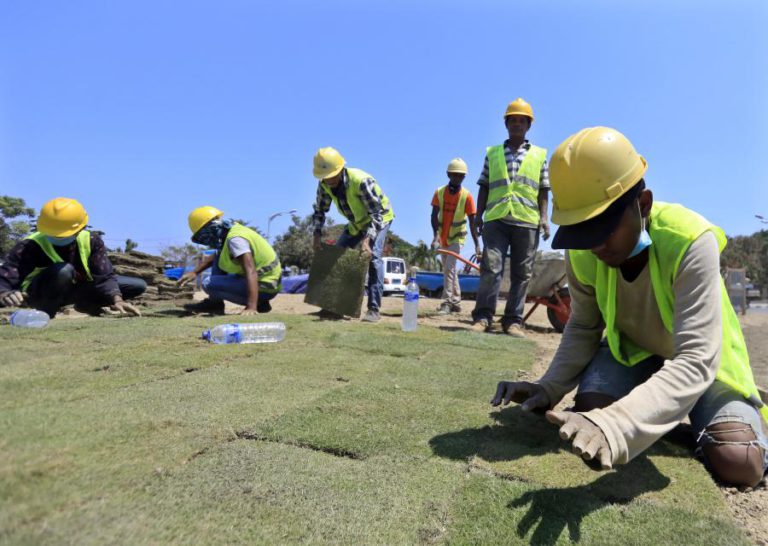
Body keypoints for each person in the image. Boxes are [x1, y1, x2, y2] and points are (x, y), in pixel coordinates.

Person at [491, 127, 768, 486]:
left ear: (643, 205)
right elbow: (584, 327)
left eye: (604, 228)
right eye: (582, 232)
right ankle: (661, 411)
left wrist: (618, 425)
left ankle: (709, 418)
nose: (595, 246)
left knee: (739, 463)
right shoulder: (584, 253)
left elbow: (696, 359)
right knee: (589, 415)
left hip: (706, 365)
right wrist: (548, 388)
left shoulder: (689, 242)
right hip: (634, 353)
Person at [472, 98, 550, 337]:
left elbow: (544, 188)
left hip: (526, 220)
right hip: (496, 219)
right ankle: (483, 317)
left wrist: (544, 218)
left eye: (521, 120)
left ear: (528, 125)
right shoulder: (493, 153)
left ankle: (513, 321)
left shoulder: (539, 155)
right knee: (491, 267)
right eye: (512, 120)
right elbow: (484, 184)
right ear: (506, 124)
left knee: (522, 273)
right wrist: (478, 214)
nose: (517, 124)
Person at [0, 197, 144, 318]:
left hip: (76, 290)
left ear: (80, 229)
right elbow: (7, 273)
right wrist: (4, 292)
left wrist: (117, 299)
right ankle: (46, 313)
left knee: (136, 285)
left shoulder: (92, 241)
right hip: (39, 293)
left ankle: (86, 306)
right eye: (53, 233)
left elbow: (104, 276)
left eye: (62, 234)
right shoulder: (30, 245)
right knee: (64, 270)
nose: (57, 237)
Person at [311, 147, 395, 323]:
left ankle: (373, 309)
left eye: (331, 176)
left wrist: (367, 241)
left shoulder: (361, 181)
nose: (328, 181)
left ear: (341, 169)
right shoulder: (325, 185)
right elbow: (319, 210)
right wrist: (317, 235)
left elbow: (377, 214)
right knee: (337, 256)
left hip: (379, 218)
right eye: (324, 178)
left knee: (372, 258)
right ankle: (334, 306)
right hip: (356, 223)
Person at [179, 206, 282, 315]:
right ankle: (215, 304)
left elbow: (250, 270)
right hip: (265, 282)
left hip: (266, 287)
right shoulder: (231, 230)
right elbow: (218, 256)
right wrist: (195, 272)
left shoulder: (235, 240)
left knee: (208, 283)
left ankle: (259, 303)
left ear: (210, 229)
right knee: (219, 256)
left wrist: (251, 307)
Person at [430, 158, 480, 314]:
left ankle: (446, 303)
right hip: (443, 238)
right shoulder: (439, 193)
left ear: (464, 177)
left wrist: (477, 245)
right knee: (448, 269)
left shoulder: (467, 196)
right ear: (448, 174)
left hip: (457, 239)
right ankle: (456, 302)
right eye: (454, 175)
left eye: (461, 176)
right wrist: (436, 236)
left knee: (449, 268)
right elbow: (433, 216)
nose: (457, 178)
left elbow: (472, 223)